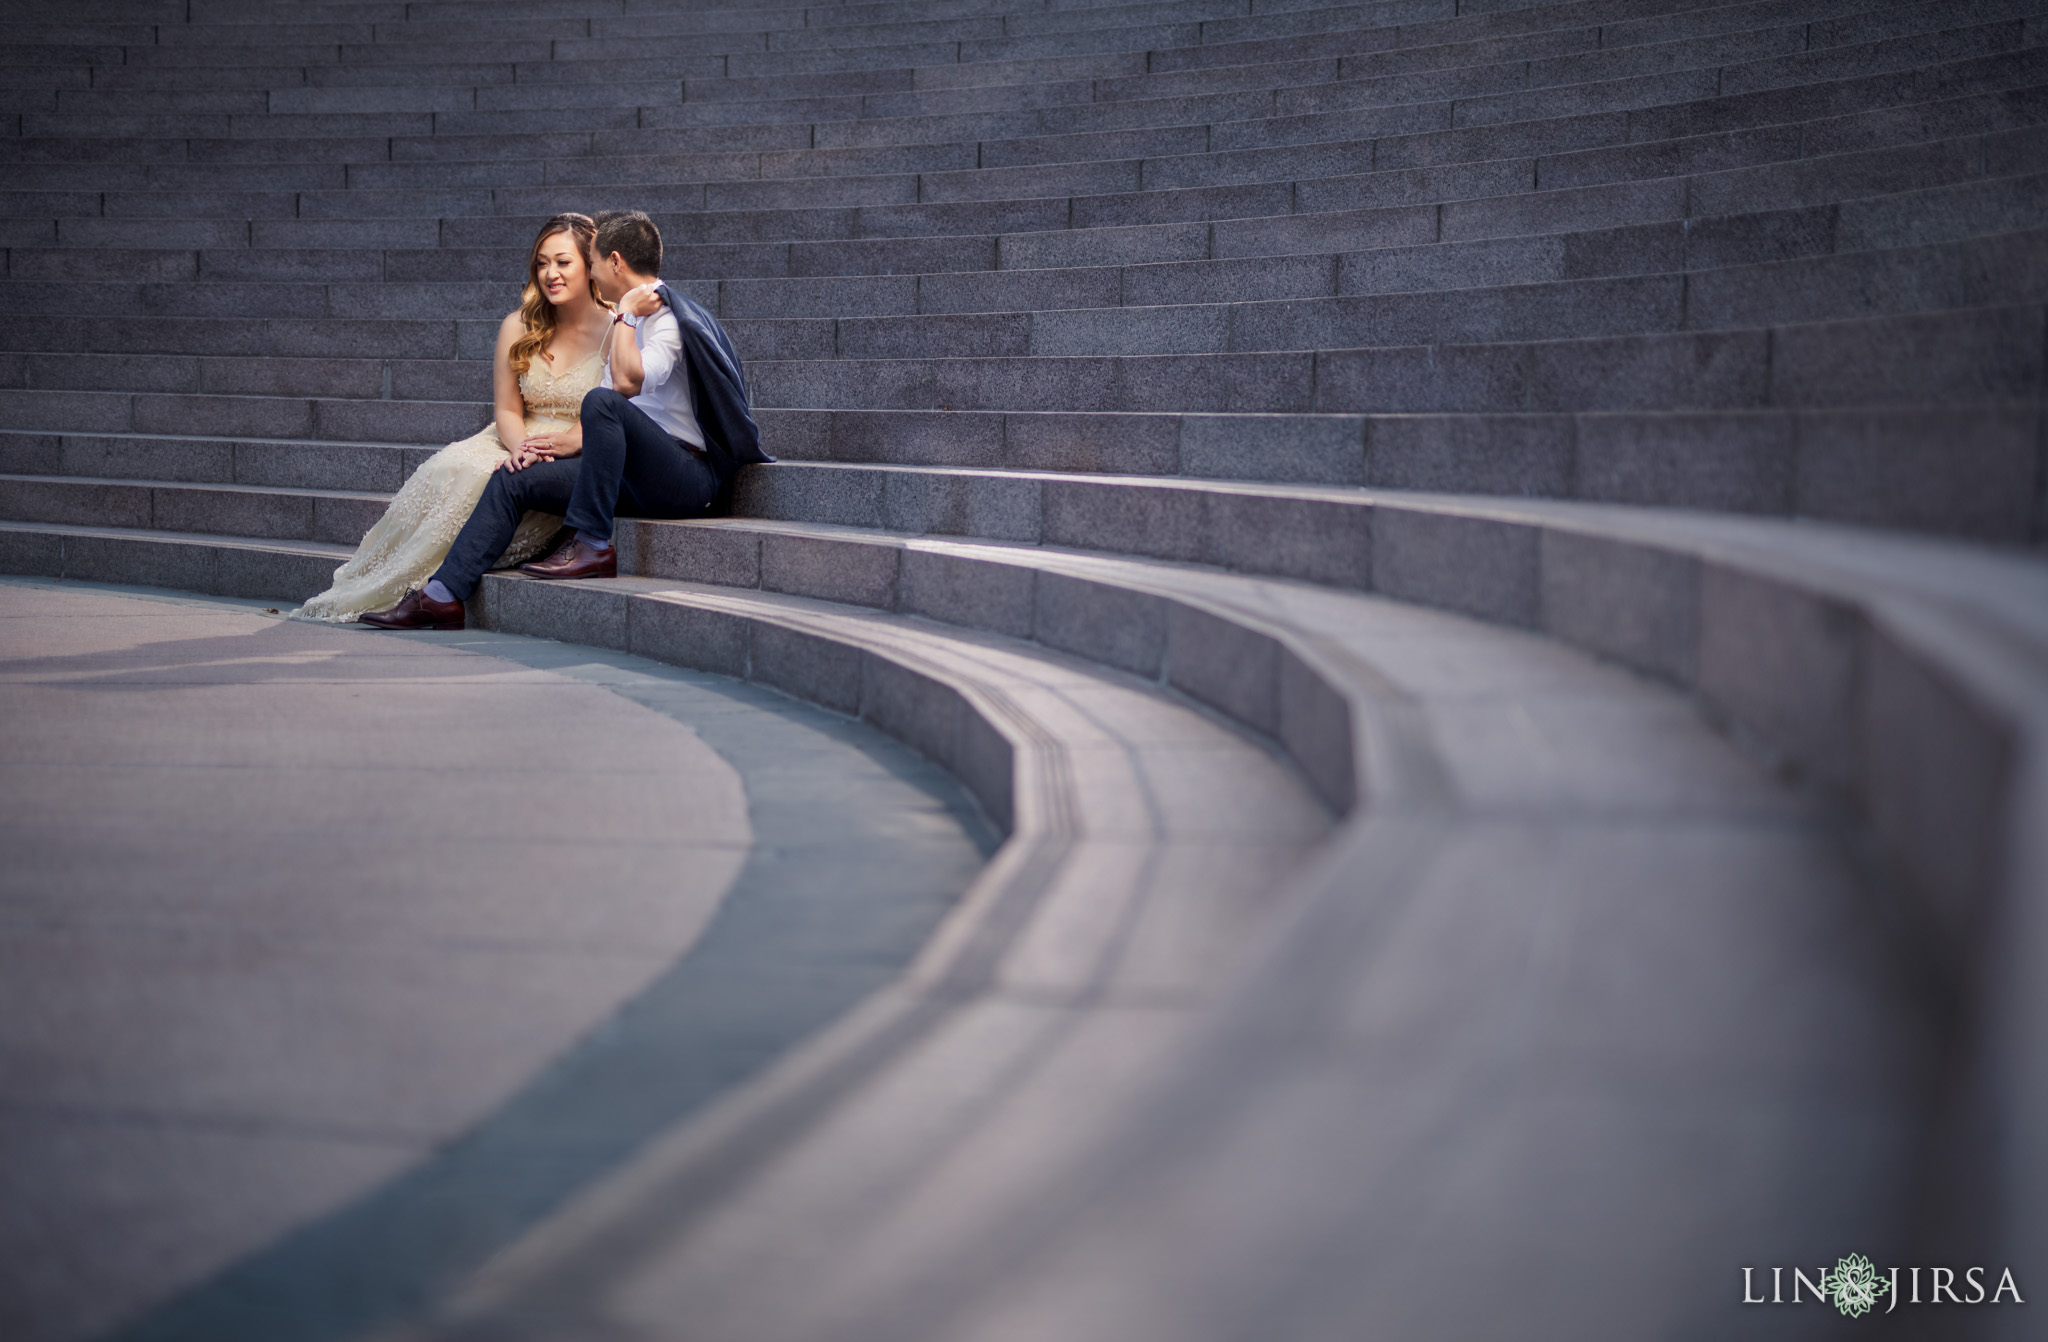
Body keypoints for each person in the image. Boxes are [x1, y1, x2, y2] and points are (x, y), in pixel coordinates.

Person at [358, 209, 771, 632]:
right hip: (628, 470)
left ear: (614, 262)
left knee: (601, 403)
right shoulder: (624, 322)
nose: (588, 272)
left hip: (684, 477)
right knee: (513, 477)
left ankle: (592, 544)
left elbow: (624, 386)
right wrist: (549, 447)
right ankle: (441, 597)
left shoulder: (666, 319)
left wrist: (626, 315)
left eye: (589, 262)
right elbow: (607, 408)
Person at [290, 213, 611, 625]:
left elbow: (619, 405)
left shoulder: (616, 326)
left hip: (571, 444)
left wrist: (557, 448)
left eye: (563, 262)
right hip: (516, 436)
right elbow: (509, 409)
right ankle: (391, 582)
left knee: (485, 479)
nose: (551, 273)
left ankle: (434, 591)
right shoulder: (518, 325)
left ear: (590, 264)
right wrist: (521, 448)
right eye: (542, 263)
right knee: (449, 467)